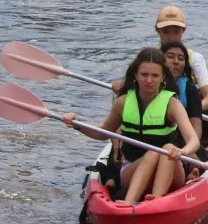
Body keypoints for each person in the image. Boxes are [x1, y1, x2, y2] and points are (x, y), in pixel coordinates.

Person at [64, 47, 199, 205]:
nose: (149, 80)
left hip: (170, 172)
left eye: (155, 75)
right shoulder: (123, 102)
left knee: (166, 148)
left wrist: (183, 151)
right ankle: (131, 202)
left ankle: (154, 200)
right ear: (135, 75)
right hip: (132, 171)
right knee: (153, 153)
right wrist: (77, 124)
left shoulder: (172, 104)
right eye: (144, 74)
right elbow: (102, 134)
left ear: (163, 77)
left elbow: (193, 141)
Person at [162, 40, 206, 153]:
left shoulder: (190, 89)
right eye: (170, 57)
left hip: (181, 142)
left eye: (181, 58)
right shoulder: (149, 85)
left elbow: (196, 129)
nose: (176, 61)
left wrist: (187, 150)